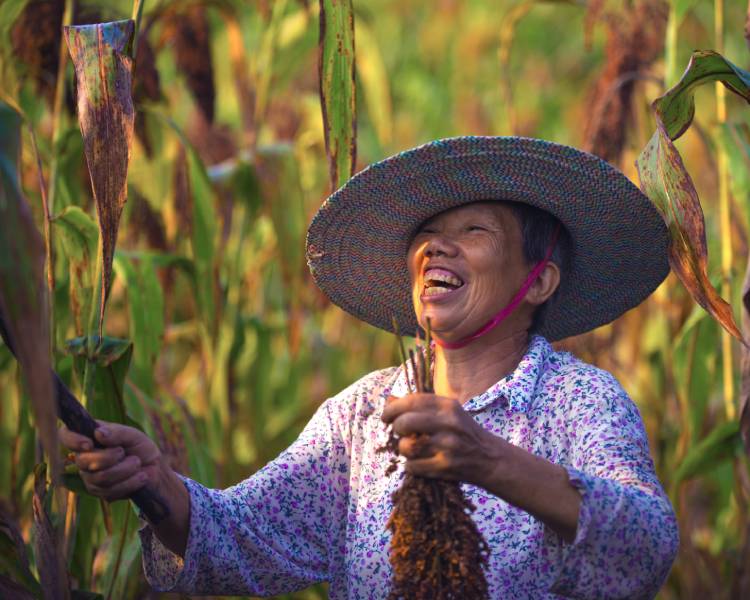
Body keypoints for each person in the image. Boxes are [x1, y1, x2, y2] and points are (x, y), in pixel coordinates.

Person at [61, 137, 679, 598]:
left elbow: (647, 544)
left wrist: (486, 460)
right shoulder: (361, 415)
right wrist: (157, 486)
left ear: (538, 280)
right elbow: (243, 536)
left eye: (473, 229)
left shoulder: (579, 401)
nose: (437, 246)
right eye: (428, 234)